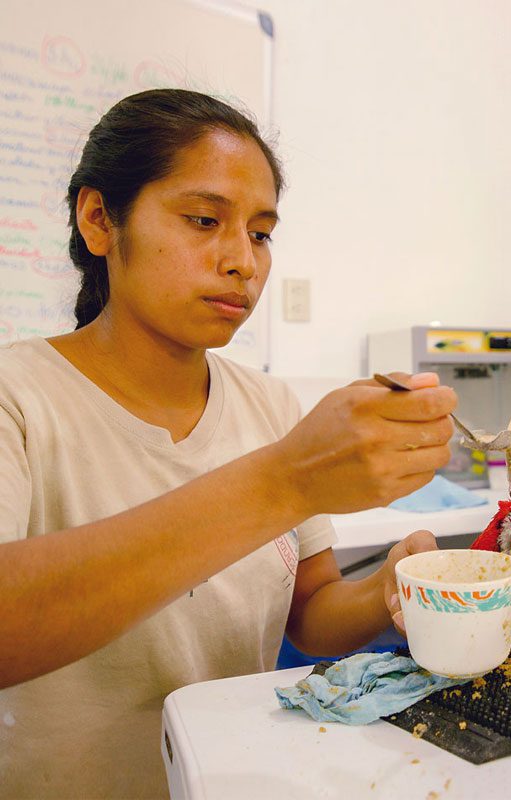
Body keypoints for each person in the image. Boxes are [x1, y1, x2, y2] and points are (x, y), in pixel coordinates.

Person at [0, 89, 457, 799]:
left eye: (262, 233)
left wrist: (384, 590)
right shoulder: (19, 396)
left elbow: (310, 613)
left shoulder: (268, 405)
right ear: (99, 220)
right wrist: (284, 481)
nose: (242, 261)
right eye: (204, 220)